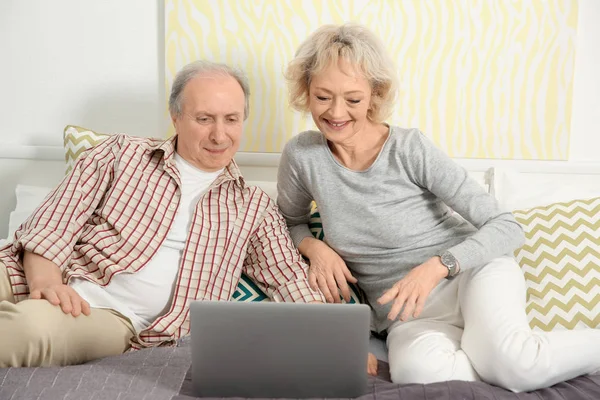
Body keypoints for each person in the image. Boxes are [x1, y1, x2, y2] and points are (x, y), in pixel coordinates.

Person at [277, 23, 600, 393]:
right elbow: (288, 221)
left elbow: (507, 225)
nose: (336, 112)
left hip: (469, 278)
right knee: (416, 375)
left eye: (352, 99)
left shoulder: (409, 149)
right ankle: (495, 357)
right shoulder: (303, 156)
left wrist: (437, 267)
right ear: (306, 91)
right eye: (322, 97)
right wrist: (314, 248)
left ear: (374, 95)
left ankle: (524, 357)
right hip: (405, 315)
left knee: (514, 365)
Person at [0, 60, 325, 368]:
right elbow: (55, 220)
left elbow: (287, 276)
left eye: (231, 119)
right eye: (204, 118)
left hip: (107, 314)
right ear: (176, 117)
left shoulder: (254, 207)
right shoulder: (120, 153)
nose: (219, 135)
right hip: (30, 266)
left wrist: (328, 339)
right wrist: (45, 280)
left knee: (28, 330)